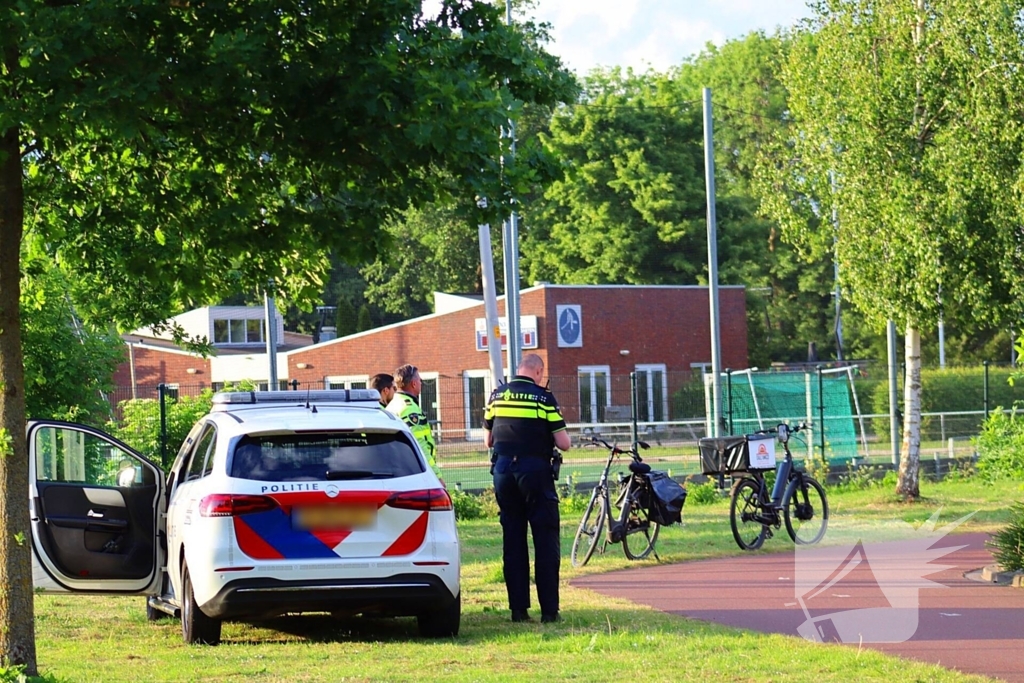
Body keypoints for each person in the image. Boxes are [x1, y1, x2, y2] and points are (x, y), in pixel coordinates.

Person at [484, 353, 571, 624]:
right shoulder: (544, 398)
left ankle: (518, 610)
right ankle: (549, 611)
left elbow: (489, 439)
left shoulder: (497, 396)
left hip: (503, 474)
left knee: (513, 539)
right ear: (538, 372)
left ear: (518, 370)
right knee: (545, 539)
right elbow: (564, 442)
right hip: (535, 474)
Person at [386, 364, 441, 478]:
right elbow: (420, 445)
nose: (421, 383)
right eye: (420, 380)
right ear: (414, 384)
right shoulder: (409, 409)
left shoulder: (393, 405)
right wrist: (436, 474)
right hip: (417, 471)